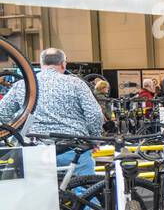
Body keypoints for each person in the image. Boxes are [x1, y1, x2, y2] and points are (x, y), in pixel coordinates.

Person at [0, 47, 103, 176]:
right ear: (63, 63)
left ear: (41, 64)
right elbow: (94, 114)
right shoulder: (76, 84)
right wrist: (93, 140)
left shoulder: (23, 85)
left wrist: (19, 130)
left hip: (35, 151)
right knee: (85, 192)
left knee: (37, 194)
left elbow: (2, 112)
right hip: (74, 149)